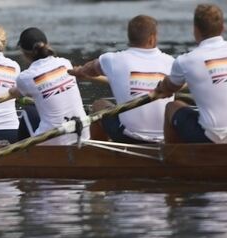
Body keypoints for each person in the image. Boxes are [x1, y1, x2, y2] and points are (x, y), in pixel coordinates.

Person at [154, 3, 227, 143]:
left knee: (172, 107)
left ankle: (171, 158)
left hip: (214, 138)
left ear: (195, 30)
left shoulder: (185, 61)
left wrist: (162, 87)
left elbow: (169, 88)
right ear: (223, 28)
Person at [68, 15, 173, 143]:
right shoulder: (171, 62)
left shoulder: (113, 60)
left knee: (99, 105)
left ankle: (98, 155)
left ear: (129, 37)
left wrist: (79, 71)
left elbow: (89, 69)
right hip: (166, 137)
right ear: (152, 39)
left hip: (129, 137)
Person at [10, 27, 90, 145]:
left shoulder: (25, 77)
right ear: (48, 44)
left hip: (52, 141)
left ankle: (21, 157)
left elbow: (13, 93)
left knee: (28, 111)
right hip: (83, 133)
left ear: (23, 52)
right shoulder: (65, 63)